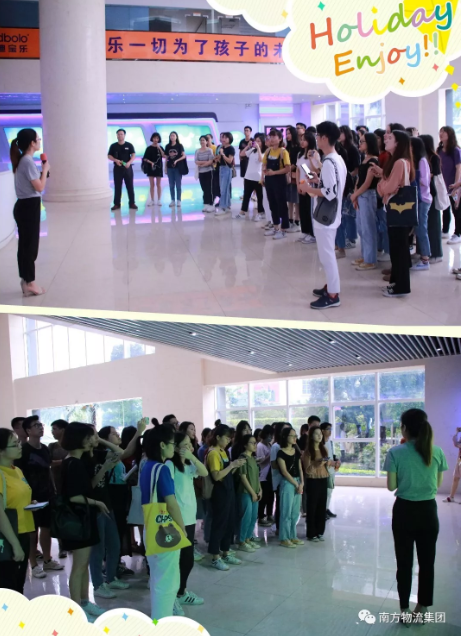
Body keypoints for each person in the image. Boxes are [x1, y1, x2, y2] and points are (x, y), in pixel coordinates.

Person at [383, 409, 448, 622]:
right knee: (427, 563)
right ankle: (422, 608)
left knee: (404, 563)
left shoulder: (395, 452)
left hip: (404, 511)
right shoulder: (436, 451)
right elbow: (437, 484)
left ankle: (404, 609)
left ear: (404, 428)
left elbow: (391, 486)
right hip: (428, 512)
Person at [60, 423, 109, 621]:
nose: (92, 440)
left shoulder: (76, 462)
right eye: (89, 437)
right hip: (77, 521)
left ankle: (85, 602)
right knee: (78, 566)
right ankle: (76, 610)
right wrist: (98, 503)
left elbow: (87, 487)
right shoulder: (72, 463)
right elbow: (73, 496)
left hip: (84, 519)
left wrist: (105, 468)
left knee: (84, 563)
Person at [140, 426, 188, 619]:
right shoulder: (162, 469)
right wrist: (182, 528)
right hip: (165, 529)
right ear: (162, 445)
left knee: (158, 579)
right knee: (168, 583)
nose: (174, 448)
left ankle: (157, 621)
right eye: (172, 444)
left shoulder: (146, 466)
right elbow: (171, 503)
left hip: (150, 526)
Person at [300, 121, 347, 310]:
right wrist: (318, 180)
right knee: (327, 254)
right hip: (332, 214)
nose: (317, 139)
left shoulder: (328, 162)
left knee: (327, 255)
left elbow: (330, 192)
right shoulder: (337, 159)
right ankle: (330, 286)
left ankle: (333, 294)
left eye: (318, 136)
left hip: (326, 216)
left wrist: (308, 188)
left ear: (325, 138)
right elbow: (333, 185)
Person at [16, 415, 63, 578]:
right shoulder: (23, 451)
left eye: (41, 425)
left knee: (47, 528)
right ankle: (34, 564)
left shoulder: (44, 448)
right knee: (32, 532)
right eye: (36, 425)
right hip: (31, 497)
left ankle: (48, 560)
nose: (41, 427)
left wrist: (53, 490)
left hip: (47, 494)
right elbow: (19, 475)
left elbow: (48, 468)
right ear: (28, 430)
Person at [166, 431, 208, 612]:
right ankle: (173, 596)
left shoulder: (189, 464)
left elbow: (204, 472)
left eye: (191, 444)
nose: (190, 447)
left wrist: (192, 457)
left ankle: (181, 592)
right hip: (177, 519)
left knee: (187, 559)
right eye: (186, 445)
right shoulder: (170, 465)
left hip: (189, 518)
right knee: (177, 560)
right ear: (175, 448)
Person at [370, 130, 415, 298]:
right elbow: (390, 183)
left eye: (390, 138)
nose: (385, 140)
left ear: (398, 143)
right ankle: (396, 283)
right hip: (398, 210)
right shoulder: (399, 161)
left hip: (397, 210)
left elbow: (388, 187)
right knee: (397, 249)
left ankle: (401, 286)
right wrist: (384, 178)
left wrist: (381, 184)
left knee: (399, 250)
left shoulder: (399, 162)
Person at [10, 128, 49, 297]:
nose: (39, 141)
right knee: (30, 247)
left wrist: (42, 173)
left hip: (24, 206)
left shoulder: (24, 161)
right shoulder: (27, 161)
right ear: (32, 143)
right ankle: (30, 282)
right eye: (38, 139)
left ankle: (26, 281)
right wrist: (45, 170)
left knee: (25, 246)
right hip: (28, 207)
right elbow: (40, 187)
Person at [206, 424, 246, 570]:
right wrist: (231, 465)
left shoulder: (223, 451)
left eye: (230, 438)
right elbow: (216, 476)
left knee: (229, 523)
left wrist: (235, 466)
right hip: (219, 493)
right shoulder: (213, 453)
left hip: (228, 490)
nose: (229, 440)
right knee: (219, 524)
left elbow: (226, 472)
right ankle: (215, 557)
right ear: (218, 437)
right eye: (227, 438)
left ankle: (225, 552)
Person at [0, 428, 34, 594]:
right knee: (8, 586)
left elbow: (16, 498)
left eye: (18, 443)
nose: (20, 446)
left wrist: (30, 503)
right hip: (9, 536)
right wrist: (15, 544)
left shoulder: (17, 470)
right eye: (14, 444)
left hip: (23, 531)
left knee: (18, 583)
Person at [350, 133, 380, 271]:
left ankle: (370, 260)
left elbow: (367, 183)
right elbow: (359, 179)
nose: (360, 144)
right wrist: (355, 194)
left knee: (368, 229)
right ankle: (364, 255)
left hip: (368, 195)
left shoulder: (374, 161)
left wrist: (355, 195)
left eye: (362, 142)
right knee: (361, 228)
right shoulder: (364, 158)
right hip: (360, 195)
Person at [234, 435, 262, 553]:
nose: (255, 445)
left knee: (253, 516)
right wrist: (252, 492)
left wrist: (260, 489)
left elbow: (257, 476)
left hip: (255, 491)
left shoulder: (253, 458)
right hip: (245, 492)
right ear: (245, 445)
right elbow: (243, 477)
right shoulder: (243, 458)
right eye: (252, 443)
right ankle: (241, 541)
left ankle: (248, 538)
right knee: (246, 517)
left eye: (255, 443)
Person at [302, 426, 330, 541]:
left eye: (320, 434)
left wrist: (333, 463)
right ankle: (311, 533)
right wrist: (317, 464)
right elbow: (307, 470)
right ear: (311, 436)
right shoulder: (308, 452)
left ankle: (320, 532)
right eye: (316, 434)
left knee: (321, 507)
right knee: (312, 507)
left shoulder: (324, 449)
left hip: (323, 479)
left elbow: (327, 464)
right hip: (313, 480)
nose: (319, 436)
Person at [277, 427, 304, 548]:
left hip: (297, 482)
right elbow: (284, 472)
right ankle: (284, 538)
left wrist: (302, 483)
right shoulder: (281, 452)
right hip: (288, 483)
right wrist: (296, 484)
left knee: (295, 512)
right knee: (286, 511)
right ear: (285, 437)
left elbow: (300, 469)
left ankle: (293, 536)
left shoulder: (296, 451)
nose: (294, 438)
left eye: (295, 435)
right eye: (292, 436)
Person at [262, 129, 292, 239]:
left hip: (279, 180)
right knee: (272, 204)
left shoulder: (283, 152)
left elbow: (287, 168)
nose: (272, 139)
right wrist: (264, 174)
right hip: (269, 180)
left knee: (282, 204)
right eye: (270, 136)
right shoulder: (268, 151)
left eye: (274, 137)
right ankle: (275, 227)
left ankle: (284, 229)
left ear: (280, 139)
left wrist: (274, 172)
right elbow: (264, 164)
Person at [409, 136, 432, 271]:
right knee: (418, 229)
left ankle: (425, 259)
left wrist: (413, 176)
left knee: (421, 229)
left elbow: (425, 181)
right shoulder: (415, 161)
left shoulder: (422, 161)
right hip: (418, 199)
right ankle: (422, 255)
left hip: (423, 199)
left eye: (410, 145)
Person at [337, 125, 361, 254]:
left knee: (349, 213)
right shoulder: (339, 148)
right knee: (343, 213)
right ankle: (345, 237)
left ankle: (351, 238)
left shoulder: (352, 149)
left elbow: (356, 168)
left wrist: (347, 176)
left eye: (341, 133)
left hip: (350, 182)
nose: (339, 135)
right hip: (342, 182)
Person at [419, 134, 443, 263]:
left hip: (431, 193)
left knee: (433, 224)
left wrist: (423, 175)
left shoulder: (434, 157)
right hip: (424, 192)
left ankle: (436, 254)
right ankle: (424, 252)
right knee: (424, 226)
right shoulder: (422, 157)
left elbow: (436, 173)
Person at [48, 419, 68, 558]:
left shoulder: (71, 445)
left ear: (63, 430)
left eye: (55, 429)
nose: (52, 432)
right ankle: (62, 546)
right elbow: (48, 462)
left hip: (69, 484)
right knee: (59, 516)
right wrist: (64, 462)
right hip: (56, 484)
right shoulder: (52, 446)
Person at [296, 131, 321, 245]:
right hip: (302, 184)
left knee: (310, 210)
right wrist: (298, 185)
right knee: (303, 209)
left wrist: (311, 158)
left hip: (311, 185)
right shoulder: (300, 154)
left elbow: (317, 170)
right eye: (301, 140)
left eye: (304, 140)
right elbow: (298, 170)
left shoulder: (315, 153)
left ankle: (313, 234)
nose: (302, 142)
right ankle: (305, 231)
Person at [437, 126, 461, 243]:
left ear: (449, 134)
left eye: (444, 132)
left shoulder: (455, 150)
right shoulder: (439, 150)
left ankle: (458, 233)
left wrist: (456, 185)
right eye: (440, 132)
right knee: (445, 208)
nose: (441, 134)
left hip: (454, 185)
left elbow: (459, 168)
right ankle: (445, 230)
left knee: (456, 209)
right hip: (443, 185)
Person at [236, 133, 266, 221]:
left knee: (260, 196)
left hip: (258, 178)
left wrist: (259, 148)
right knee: (246, 195)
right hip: (248, 176)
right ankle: (242, 212)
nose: (256, 143)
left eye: (258, 141)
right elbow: (242, 154)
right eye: (255, 141)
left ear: (263, 142)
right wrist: (248, 146)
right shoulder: (252, 150)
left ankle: (261, 213)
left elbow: (261, 160)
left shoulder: (264, 152)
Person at [270, 422, 293, 533]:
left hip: (290, 479)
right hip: (280, 480)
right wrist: (285, 464)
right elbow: (274, 465)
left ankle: (286, 527)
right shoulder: (276, 446)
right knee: (281, 504)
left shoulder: (291, 446)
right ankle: (279, 528)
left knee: (288, 505)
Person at [108, 129, 137, 212]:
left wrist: (129, 162)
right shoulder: (113, 146)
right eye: (118, 134)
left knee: (130, 186)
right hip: (117, 168)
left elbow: (133, 155)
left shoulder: (129, 145)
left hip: (127, 168)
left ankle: (132, 203)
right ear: (116, 135)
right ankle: (117, 204)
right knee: (117, 186)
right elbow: (109, 155)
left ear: (124, 135)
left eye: (121, 134)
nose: (120, 135)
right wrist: (115, 160)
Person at [319, 422, 340, 518]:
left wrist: (337, 460)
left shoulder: (329, 442)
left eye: (331, 429)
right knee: (325, 492)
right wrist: (331, 462)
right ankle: (322, 511)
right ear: (322, 431)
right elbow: (322, 458)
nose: (330, 431)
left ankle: (326, 509)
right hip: (324, 471)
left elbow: (331, 455)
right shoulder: (320, 443)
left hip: (331, 470)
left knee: (329, 492)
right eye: (328, 429)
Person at [215, 132, 235, 217]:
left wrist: (222, 154)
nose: (223, 139)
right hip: (221, 168)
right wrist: (218, 157)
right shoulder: (222, 147)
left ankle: (222, 207)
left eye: (225, 138)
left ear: (229, 139)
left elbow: (230, 161)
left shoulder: (231, 148)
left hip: (227, 169)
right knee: (224, 188)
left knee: (224, 189)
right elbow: (221, 159)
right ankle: (227, 205)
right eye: (222, 137)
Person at [165, 131, 187, 208]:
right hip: (170, 168)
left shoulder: (179, 146)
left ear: (176, 137)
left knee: (178, 185)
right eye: (171, 136)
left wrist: (177, 160)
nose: (172, 137)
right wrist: (165, 168)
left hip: (178, 168)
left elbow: (184, 156)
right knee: (171, 185)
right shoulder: (167, 146)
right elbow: (166, 158)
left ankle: (179, 200)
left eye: (173, 135)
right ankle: (172, 200)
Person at [285, 126, 301, 232]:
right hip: (288, 175)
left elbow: (297, 163)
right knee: (289, 199)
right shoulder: (287, 147)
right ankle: (290, 220)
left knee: (296, 200)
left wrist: (289, 169)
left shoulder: (298, 147)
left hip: (296, 176)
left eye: (289, 133)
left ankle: (297, 221)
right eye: (286, 133)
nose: (287, 135)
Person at [143, 132, 165, 206]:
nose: (155, 140)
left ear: (159, 139)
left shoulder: (160, 147)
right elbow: (145, 158)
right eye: (154, 138)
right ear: (152, 139)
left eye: (157, 138)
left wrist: (159, 148)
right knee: (152, 185)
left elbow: (164, 156)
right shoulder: (148, 148)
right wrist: (151, 162)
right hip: (151, 168)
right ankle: (152, 200)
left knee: (158, 184)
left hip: (159, 167)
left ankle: (159, 200)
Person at [195, 135, 215, 213]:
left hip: (209, 171)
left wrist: (202, 164)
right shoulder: (197, 151)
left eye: (203, 140)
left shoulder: (209, 150)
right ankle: (206, 204)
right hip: (201, 172)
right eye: (201, 140)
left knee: (209, 188)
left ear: (206, 142)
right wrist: (205, 162)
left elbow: (211, 161)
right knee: (204, 188)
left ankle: (211, 204)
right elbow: (196, 161)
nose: (202, 142)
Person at [443, 427, 461, 503]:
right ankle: (451, 497)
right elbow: (456, 444)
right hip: (459, 460)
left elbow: (458, 444)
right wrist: (457, 433)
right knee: (455, 478)